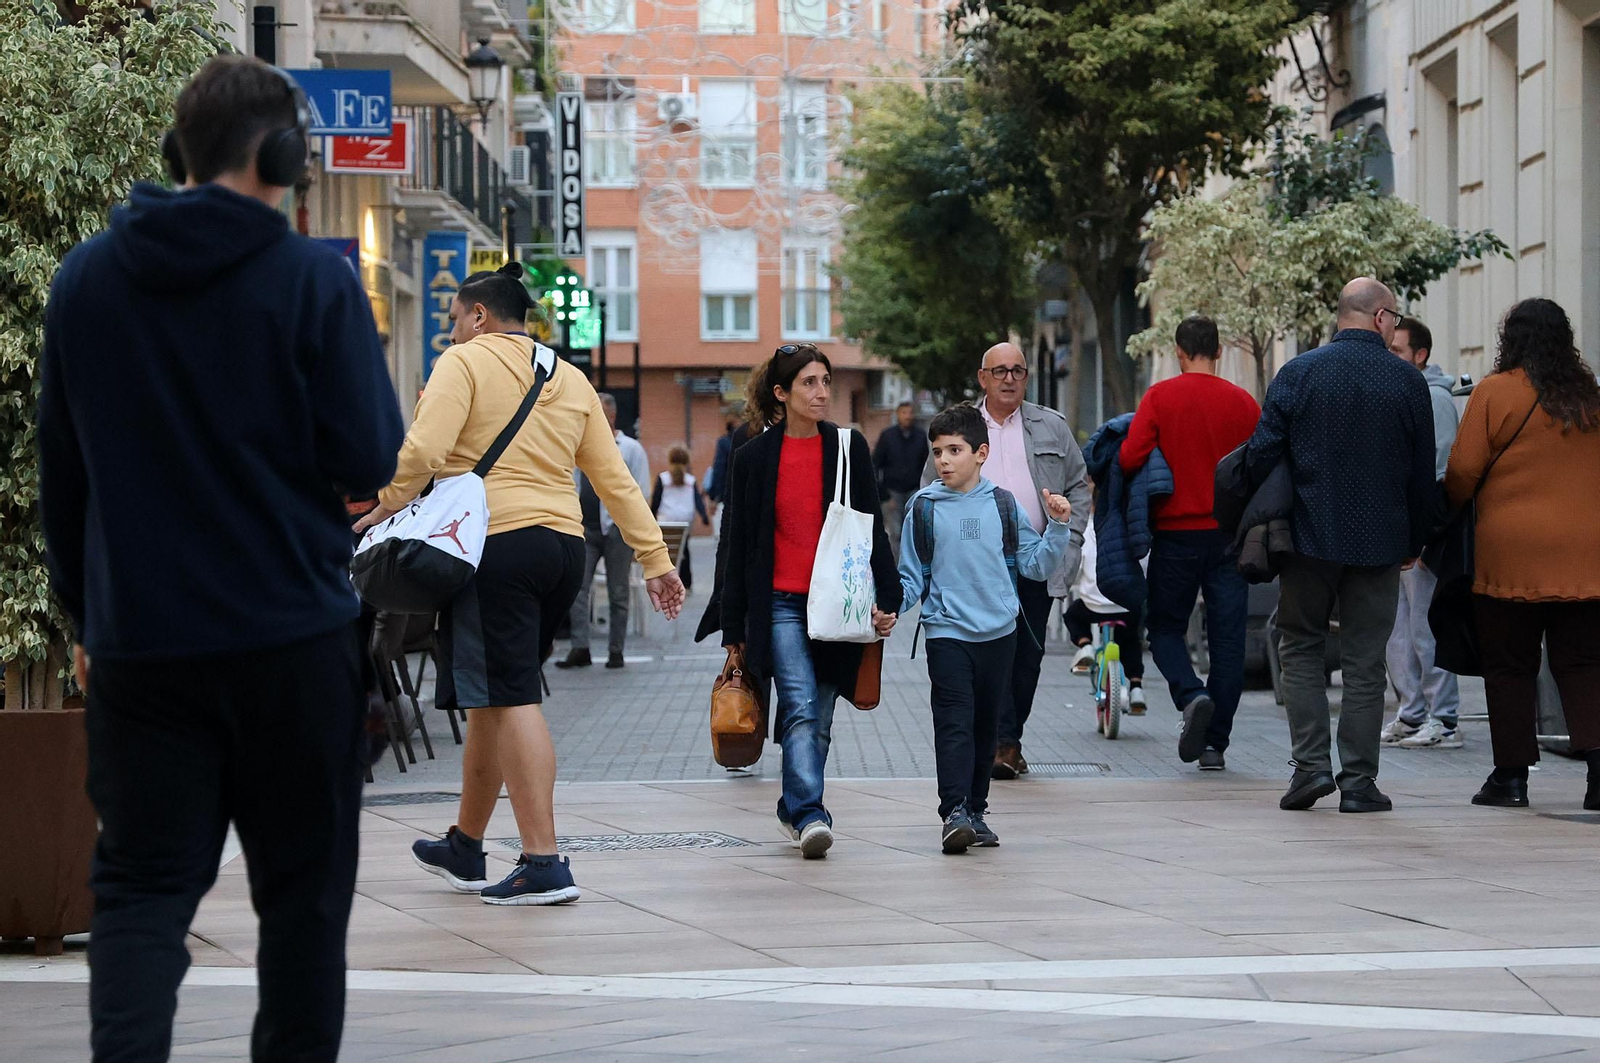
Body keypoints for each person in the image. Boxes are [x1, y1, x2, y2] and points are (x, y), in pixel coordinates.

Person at [36, 55, 404, 1062]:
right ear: (280, 153)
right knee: (301, 900)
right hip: (290, 640)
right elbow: (372, 454)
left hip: (143, 649)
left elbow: (60, 482)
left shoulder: (85, 280)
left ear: (178, 152)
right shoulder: (309, 282)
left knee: (143, 890)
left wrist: (86, 623)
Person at [356, 265, 684, 905]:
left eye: (453, 317)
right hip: (562, 547)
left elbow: (424, 453)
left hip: (493, 545)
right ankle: (466, 844)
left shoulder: (465, 362)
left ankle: (543, 861)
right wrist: (654, 557)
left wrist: (381, 506)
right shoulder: (570, 378)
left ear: (479, 315)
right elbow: (613, 476)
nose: (450, 330)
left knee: (510, 697)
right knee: (492, 697)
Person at [1244, 278, 1435, 814]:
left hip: (1308, 538)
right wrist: (1414, 540)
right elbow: (1421, 477)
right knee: (1365, 660)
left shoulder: (1298, 373)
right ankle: (1358, 783)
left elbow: (1261, 453)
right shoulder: (1406, 381)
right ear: (1379, 319)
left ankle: (1308, 768)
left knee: (1300, 645)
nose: (1395, 325)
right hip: (1380, 544)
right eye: (1395, 317)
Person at [714, 343, 902, 858]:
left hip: (836, 606)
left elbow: (871, 530)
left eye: (825, 381)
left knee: (819, 712)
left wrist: (890, 593)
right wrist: (733, 625)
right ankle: (809, 811)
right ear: (782, 393)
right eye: (809, 383)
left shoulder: (848, 448)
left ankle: (791, 805)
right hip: (777, 603)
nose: (821, 392)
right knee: (798, 703)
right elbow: (737, 544)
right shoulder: (752, 456)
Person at [1445, 299, 1600, 810]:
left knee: (1509, 664)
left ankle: (1510, 779)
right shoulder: (1590, 398)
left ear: (1510, 338)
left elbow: (1464, 471)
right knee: (1581, 663)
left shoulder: (1493, 392)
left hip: (1508, 555)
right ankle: (1599, 777)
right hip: (1586, 556)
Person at [899, 405, 1075, 853]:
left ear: (981, 453)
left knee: (986, 729)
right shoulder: (922, 508)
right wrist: (884, 608)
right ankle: (953, 810)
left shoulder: (1002, 504)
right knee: (954, 723)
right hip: (946, 634)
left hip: (1000, 634)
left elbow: (1035, 565)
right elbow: (910, 577)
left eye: (954, 450)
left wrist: (1057, 524)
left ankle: (976, 812)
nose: (944, 461)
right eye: (938, 451)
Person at [925, 342, 1091, 779]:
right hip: (975, 567)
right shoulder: (960, 426)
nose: (1009, 379)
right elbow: (931, 491)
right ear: (983, 378)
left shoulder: (1051, 427)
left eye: (1017, 371)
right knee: (991, 654)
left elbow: (1079, 486)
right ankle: (1001, 744)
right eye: (999, 371)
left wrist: (1069, 542)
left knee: (1026, 659)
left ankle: (1007, 738)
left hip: (1036, 560)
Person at [1120, 316, 1260, 771]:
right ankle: (1215, 743)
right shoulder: (1243, 403)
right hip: (1228, 535)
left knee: (1163, 628)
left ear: (1179, 351)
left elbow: (1129, 457)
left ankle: (1191, 694)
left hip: (1175, 535)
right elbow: (1261, 463)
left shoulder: (1159, 397)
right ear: (1219, 352)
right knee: (1227, 641)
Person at [1381, 316, 1464, 750]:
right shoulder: (1403, 393)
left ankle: (1442, 718)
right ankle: (1412, 713)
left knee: (1424, 626)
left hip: (1422, 533)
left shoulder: (1433, 399)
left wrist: (1424, 531)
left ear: (1420, 355)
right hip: (1397, 528)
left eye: (1397, 351)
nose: (1390, 357)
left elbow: (1438, 471)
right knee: (1399, 627)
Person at [555, 393, 652, 670]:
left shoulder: (631, 449)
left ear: (610, 415)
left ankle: (616, 650)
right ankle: (580, 647)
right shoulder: (577, 446)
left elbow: (641, 492)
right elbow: (571, 484)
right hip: (584, 529)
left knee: (618, 591)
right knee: (577, 589)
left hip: (617, 530)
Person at [1065, 519, 1146, 711]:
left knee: (1072, 615)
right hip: (1127, 606)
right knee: (1131, 640)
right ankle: (1136, 688)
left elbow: (1076, 567)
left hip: (1094, 605)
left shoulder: (1089, 530)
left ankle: (1086, 646)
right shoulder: (1134, 526)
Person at [651, 444, 712, 589]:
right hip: (684, 521)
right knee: (684, 551)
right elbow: (697, 500)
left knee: (665, 552)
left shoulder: (663, 479)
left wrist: (651, 517)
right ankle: (686, 582)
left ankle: (664, 580)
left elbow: (656, 500)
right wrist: (704, 516)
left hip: (666, 520)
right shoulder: (690, 480)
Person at [874, 401, 929, 557]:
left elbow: (926, 465)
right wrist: (884, 494)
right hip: (893, 492)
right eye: (904, 413)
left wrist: (923, 490)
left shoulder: (920, 435)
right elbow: (875, 464)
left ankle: (914, 566)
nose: (907, 416)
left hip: (914, 490)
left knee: (914, 531)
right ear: (897, 414)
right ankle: (897, 568)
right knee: (896, 532)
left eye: (910, 413)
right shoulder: (887, 436)